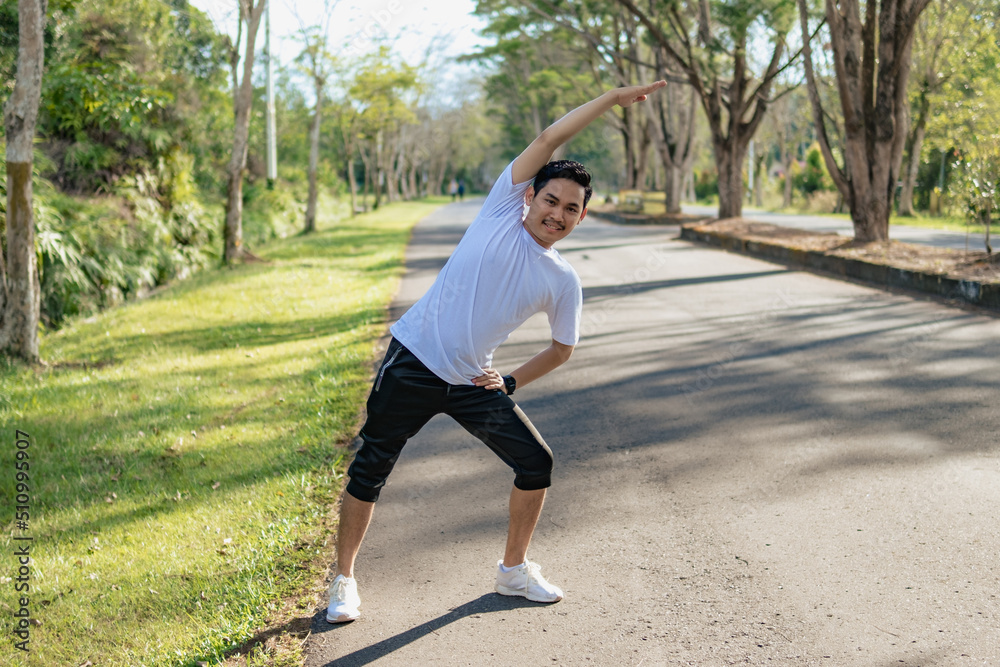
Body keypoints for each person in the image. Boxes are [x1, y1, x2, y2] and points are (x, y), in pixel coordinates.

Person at [327, 80, 667, 624]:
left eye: (571, 209)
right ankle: (343, 581)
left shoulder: (563, 280)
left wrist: (508, 382)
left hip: (470, 382)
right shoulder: (500, 209)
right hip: (412, 361)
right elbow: (550, 136)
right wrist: (610, 99)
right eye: (551, 199)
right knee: (370, 470)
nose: (557, 213)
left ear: (581, 218)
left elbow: (562, 348)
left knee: (536, 463)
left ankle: (513, 571)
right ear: (532, 196)